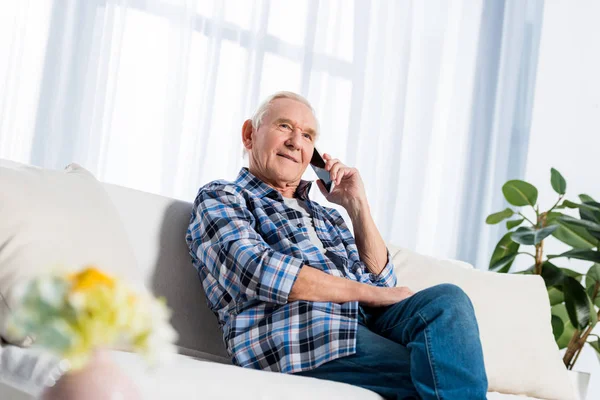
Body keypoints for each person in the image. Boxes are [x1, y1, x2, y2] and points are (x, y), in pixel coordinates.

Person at [185, 91, 488, 399]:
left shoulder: (327, 216)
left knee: (447, 301)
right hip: (302, 336)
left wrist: (357, 206)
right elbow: (257, 270)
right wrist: (372, 293)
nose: (295, 141)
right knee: (437, 372)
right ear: (249, 135)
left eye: (307, 135)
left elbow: (384, 285)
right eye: (284, 126)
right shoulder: (223, 196)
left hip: (363, 325)